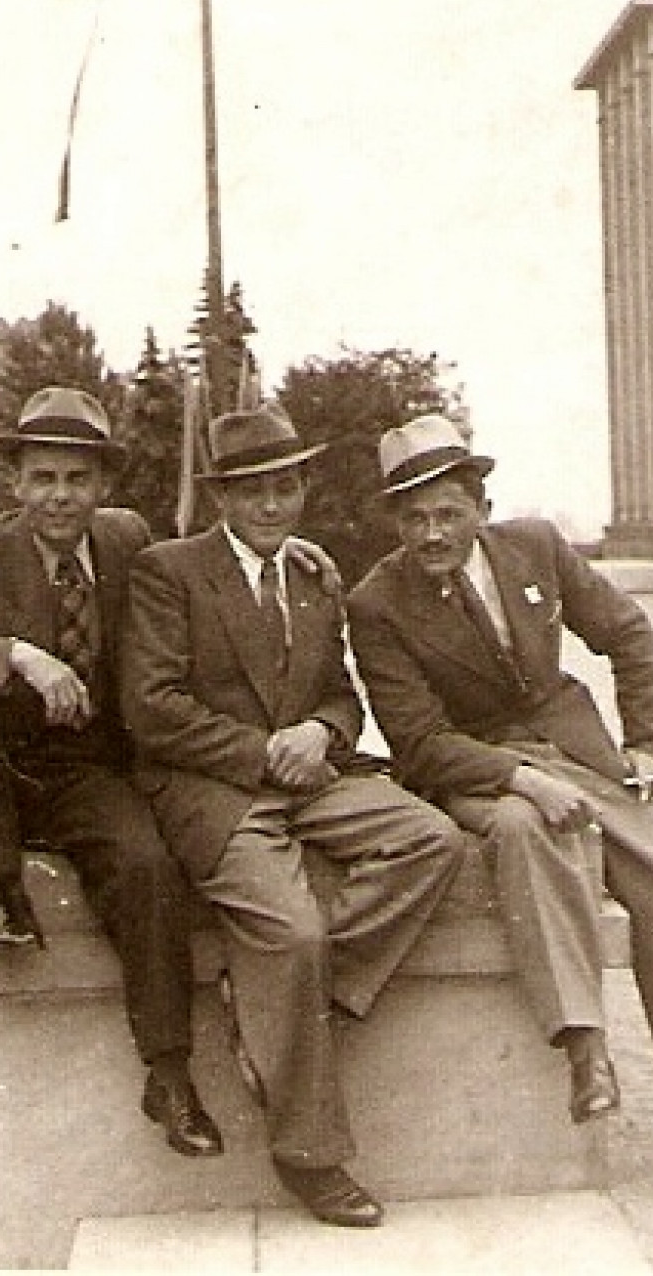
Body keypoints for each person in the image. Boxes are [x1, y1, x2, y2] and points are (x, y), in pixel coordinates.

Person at [345, 414, 653, 1192]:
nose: (431, 533)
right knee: (524, 830)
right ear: (394, 522)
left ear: (481, 508)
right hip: (476, 770)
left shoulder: (535, 548)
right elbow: (419, 741)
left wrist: (648, 744)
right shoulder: (376, 604)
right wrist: (522, 778)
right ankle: (585, 1048)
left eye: (447, 513)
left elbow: (628, 633)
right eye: (413, 518)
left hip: (579, 756)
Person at [122, 403, 465, 1229]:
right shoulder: (170, 572)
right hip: (213, 788)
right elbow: (152, 709)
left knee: (430, 838)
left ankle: (278, 1009)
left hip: (309, 776)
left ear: (304, 487)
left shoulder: (314, 577)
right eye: (252, 491)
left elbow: (341, 694)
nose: (272, 505)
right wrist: (263, 752)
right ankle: (309, 1156)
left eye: (285, 486)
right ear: (221, 499)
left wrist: (322, 732)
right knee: (294, 932)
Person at [0, 386, 226, 1162]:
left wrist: (292, 553)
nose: (59, 497)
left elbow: (203, 577)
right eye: (42, 478)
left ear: (102, 485)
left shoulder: (127, 540)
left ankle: (169, 1075)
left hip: (79, 773)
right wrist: (16, 656)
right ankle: (2, 890)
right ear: (16, 482)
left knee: (147, 865)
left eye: (76, 479)